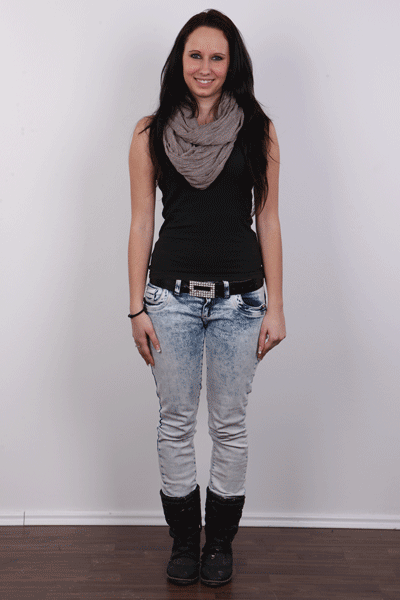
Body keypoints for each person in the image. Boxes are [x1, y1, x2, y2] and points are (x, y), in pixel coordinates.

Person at [128, 9, 285, 587]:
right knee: (174, 423)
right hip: (169, 299)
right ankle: (183, 544)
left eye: (217, 57)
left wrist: (277, 306)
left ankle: (218, 544)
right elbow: (140, 222)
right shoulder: (149, 131)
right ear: (180, 60)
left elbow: (269, 219)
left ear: (231, 63)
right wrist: (136, 307)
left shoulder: (259, 129)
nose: (205, 67)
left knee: (229, 425)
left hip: (240, 304)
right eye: (196, 55)